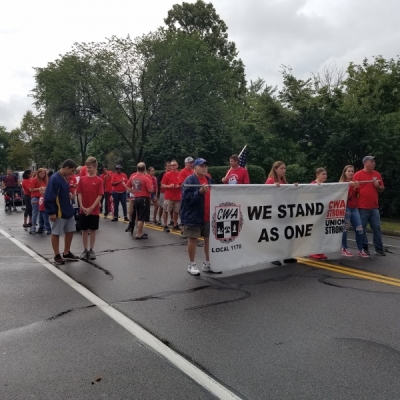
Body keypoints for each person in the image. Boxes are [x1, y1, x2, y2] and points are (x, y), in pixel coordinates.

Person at [180, 158, 213, 276]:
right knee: (193, 239)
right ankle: (192, 264)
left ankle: (208, 262)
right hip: (193, 215)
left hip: (207, 215)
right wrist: (199, 192)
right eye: (202, 166)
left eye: (206, 166)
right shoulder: (189, 180)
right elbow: (186, 200)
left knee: (208, 239)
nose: (205, 168)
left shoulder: (209, 179)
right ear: (195, 168)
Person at [44, 159, 79, 265]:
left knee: (70, 230)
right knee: (56, 232)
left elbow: (62, 191)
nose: (72, 173)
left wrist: (68, 194)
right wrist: (51, 212)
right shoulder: (55, 178)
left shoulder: (65, 178)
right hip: (58, 211)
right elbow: (49, 196)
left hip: (67, 208)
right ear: (66, 167)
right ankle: (56, 254)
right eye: (71, 171)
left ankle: (66, 252)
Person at [265, 161, 297, 265]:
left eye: (284, 168)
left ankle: (287, 255)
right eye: (281, 168)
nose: (284, 170)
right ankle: (274, 256)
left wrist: (294, 187)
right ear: (275, 169)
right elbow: (263, 192)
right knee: (276, 235)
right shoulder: (270, 180)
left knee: (287, 234)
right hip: (275, 211)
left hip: (285, 211)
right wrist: (272, 187)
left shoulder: (284, 181)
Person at [353, 156, 385, 256]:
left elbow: (382, 189)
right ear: (365, 163)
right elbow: (352, 190)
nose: (374, 163)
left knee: (377, 227)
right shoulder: (358, 175)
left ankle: (379, 248)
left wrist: (377, 186)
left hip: (374, 207)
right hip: (362, 207)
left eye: (374, 162)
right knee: (362, 228)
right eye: (372, 162)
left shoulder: (377, 174)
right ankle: (364, 247)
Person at [77, 157, 104, 260]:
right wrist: (82, 206)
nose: (88, 169)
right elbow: (79, 193)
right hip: (83, 209)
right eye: (87, 167)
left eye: (90, 167)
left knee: (93, 230)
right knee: (84, 230)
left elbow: (100, 195)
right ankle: (84, 249)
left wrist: (92, 207)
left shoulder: (99, 180)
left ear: (95, 167)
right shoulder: (82, 179)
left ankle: (91, 249)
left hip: (94, 210)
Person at [339, 165, 369, 258]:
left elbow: (358, 196)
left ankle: (360, 249)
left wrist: (356, 187)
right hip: (346, 207)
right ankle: (344, 248)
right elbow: (343, 196)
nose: (351, 173)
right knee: (345, 228)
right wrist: (350, 186)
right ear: (345, 172)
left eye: (352, 171)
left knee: (359, 228)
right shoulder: (342, 183)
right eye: (349, 171)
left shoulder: (355, 182)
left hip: (354, 207)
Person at [125, 162, 154, 239]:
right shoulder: (146, 178)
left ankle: (141, 231)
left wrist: (133, 191)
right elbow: (150, 190)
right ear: (144, 169)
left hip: (136, 198)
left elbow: (127, 186)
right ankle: (138, 234)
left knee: (138, 215)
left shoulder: (133, 177)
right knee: (142, 217)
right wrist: (152, 188)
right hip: (144, 198)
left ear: (137, 168)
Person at [309, 168, 328, 260]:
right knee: (314, 232)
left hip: (322, 211)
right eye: (323, 174)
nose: (325, 176)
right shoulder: (312, 185)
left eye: (325, 174)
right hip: (314, 212)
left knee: (321, 232)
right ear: (317, 175)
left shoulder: (325, 186)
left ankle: (320, 250)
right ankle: (312, 251)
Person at [161, 160, 182, 232]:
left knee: (176, 211)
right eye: (171, 165)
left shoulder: (180, 174)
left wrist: (179, 186)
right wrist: (169, 186)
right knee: (166, 210)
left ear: (177, 166)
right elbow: (162, 185)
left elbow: (182, 183)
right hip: (169, 196)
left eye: (174, 165)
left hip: (177, 196)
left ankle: (175, 224)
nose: (172, 167)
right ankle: (165, 225)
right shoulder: (167, 174)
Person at [29, 168, 48, 234]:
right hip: (35, 197)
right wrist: (39, 189)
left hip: (42, 198)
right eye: (41, 174)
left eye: (44, 174)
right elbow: (30, 189)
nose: (42, 175)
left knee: (42, 213)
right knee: (35, 212)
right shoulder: (34, 180)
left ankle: (42, 226)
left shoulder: (45, 180)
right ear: (38, 173)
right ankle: (33, 226)